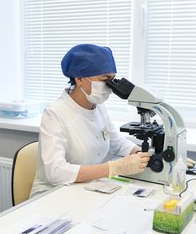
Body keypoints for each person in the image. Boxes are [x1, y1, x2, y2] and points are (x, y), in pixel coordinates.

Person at [30, 44, 151, 197]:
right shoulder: (55, 113)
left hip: (86, 188)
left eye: (112, 80)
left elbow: (116, 142)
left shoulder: (98, 106)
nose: (110, 87)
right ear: (79, 79)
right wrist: (114, 168)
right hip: (52, 194)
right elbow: (55, 172)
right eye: (105, 79)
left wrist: (144, 155)